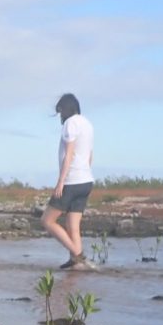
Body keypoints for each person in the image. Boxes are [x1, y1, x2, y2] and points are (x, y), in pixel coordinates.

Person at [41, 93, 95, 269]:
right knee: (72, 226)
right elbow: (89, 155)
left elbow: (69, 153)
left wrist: (61, 181)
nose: (60, 116)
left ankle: (78, 256)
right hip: (86, 181)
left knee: (47, 221)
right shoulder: (87, 124)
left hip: (72, 181)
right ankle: (76, 263)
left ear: (66, 109)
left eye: (60, 112)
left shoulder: (70, 124)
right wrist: (84, 172)